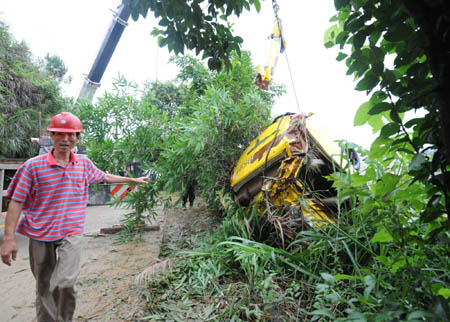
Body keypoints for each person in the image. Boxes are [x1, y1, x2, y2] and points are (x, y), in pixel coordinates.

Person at [0, 112, 149, 322]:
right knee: (44, 286)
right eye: (59, 133)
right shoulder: (33, 166)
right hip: (40, 232)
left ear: (78, 138)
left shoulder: (84, 164)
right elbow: (16, 200)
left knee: (64, 283)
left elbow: (104, 176)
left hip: (71, 232)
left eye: (71, 135)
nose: (65, 139)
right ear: (51, 135)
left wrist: (131, 180)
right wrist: (8, 238)